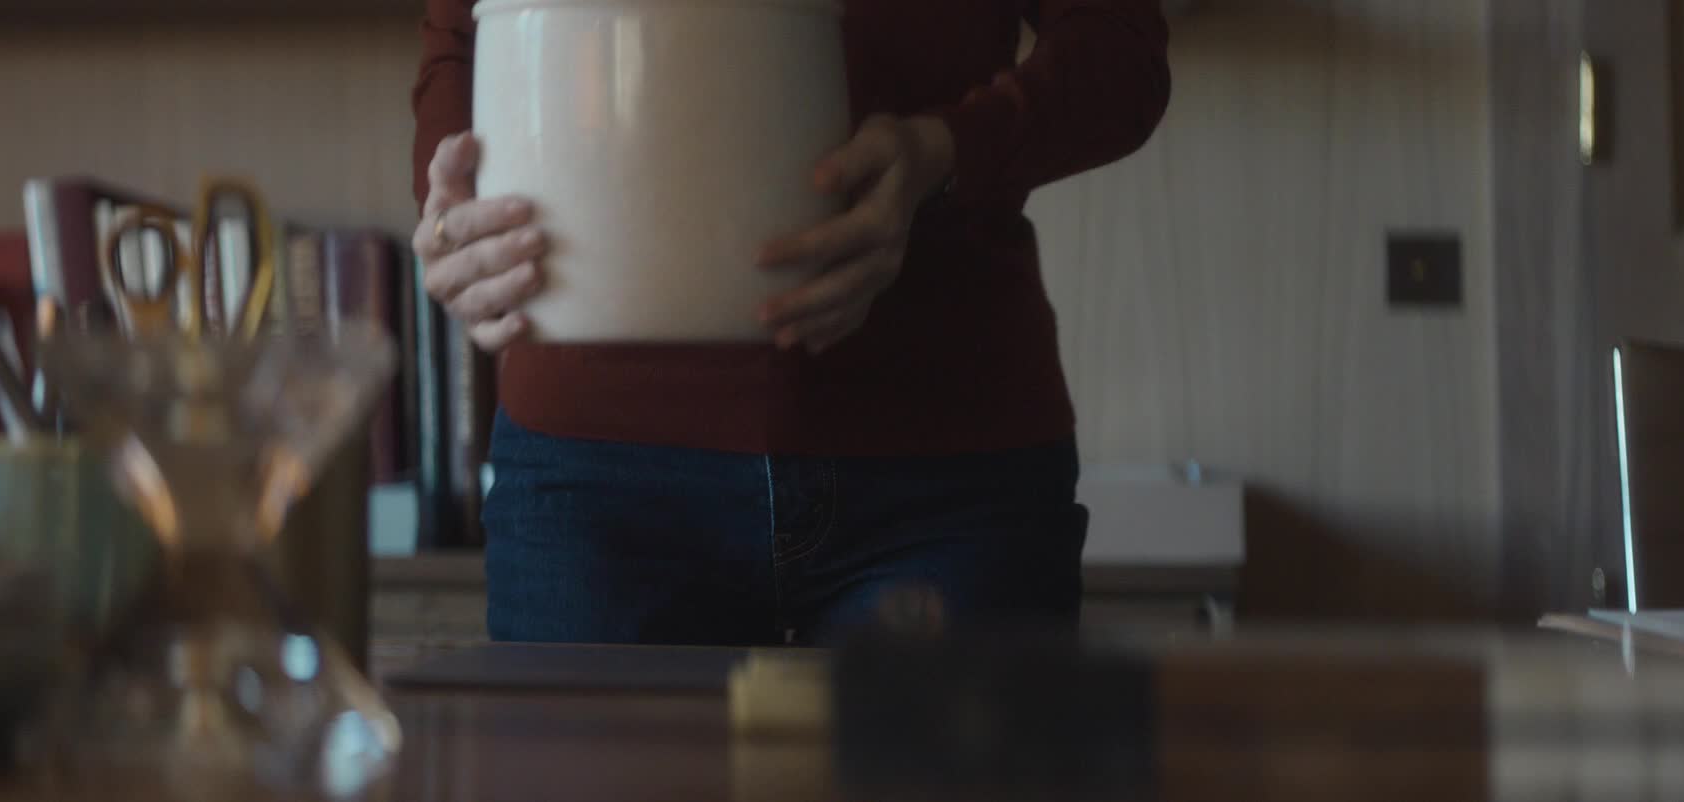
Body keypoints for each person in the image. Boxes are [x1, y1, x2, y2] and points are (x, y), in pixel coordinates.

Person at [410, 0, 1171, 646]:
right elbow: (459, 41)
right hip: (595, 486)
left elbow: (1119, 46)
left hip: (946, 474)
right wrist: (453, 213)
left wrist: (943, 151)